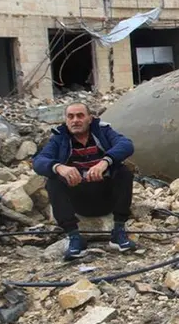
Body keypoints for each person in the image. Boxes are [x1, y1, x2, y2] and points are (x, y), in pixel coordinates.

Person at [33, 102, 137, 260]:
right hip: (78, 201)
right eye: (71, 116)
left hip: (106, 197)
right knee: (53, 180)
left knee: (123, 172)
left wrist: (105, 162)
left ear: (90, 118)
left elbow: (126, 145)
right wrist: (59, 167)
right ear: (66, 120)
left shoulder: (103, 131)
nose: (75, 120)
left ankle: (118, 231)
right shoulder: (59, 138)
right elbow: (39, 161)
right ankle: (74, 237)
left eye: (80, 115)